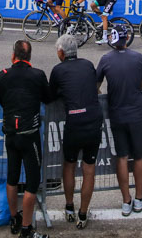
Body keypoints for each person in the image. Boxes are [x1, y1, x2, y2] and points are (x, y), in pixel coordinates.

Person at [0, 41, 52, 238]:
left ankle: (14, 218)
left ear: (14, 56)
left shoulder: (2, 75)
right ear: (29, 57)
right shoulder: (37, 75)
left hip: (11, 133)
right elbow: (48, 97)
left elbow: (2, 100)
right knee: (32, 182)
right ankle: (27, 230)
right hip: (30, 135)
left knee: (12, 177)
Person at [96, 27, 142, 217]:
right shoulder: (138, 57)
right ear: (127, 39)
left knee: (122, 156)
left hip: (117, 112)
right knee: (139, 156)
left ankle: (126, 200)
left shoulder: (105, 59)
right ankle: (139, 197)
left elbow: (96, 86)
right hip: (137, 112)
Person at [51, 34, 102, 226]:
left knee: (70, 165)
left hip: (74, 122)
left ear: (61, 52)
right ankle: (82, 213)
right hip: (93, 120)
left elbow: (51, 94)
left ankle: (69, 206)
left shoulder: (58, 70)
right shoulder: (88, 64)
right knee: (89, 168)